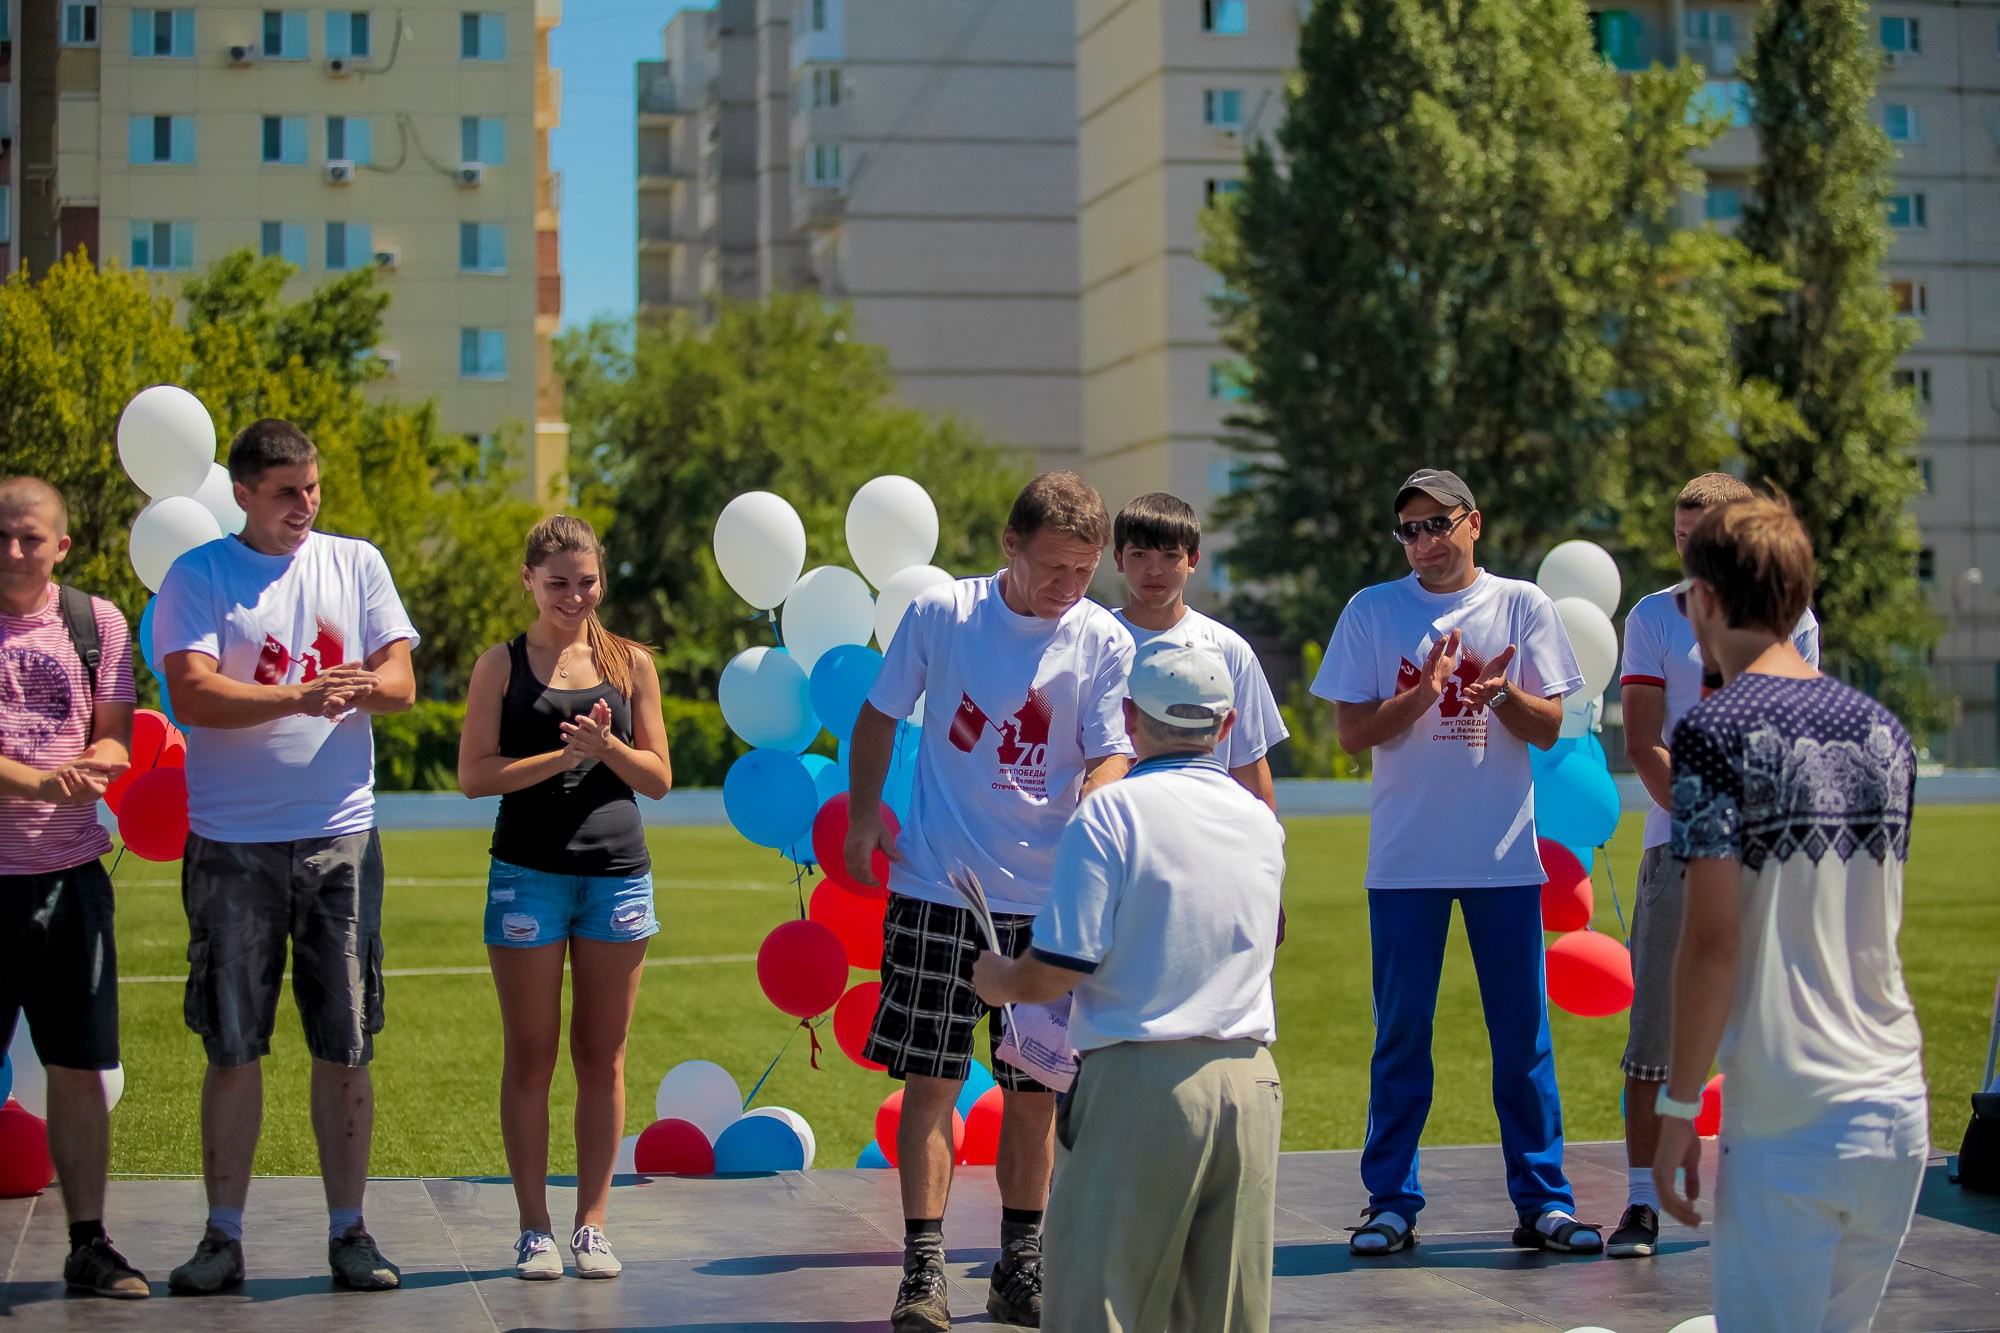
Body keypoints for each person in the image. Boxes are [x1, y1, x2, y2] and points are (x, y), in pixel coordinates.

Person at [844, 471, 1135, 1332]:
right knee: (932, 1079)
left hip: (1051, 905)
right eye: (1055, 567)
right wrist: (865, 814)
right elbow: (877, 715)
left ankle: (1021, 1265)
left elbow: (1114, 752)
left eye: (1084, 570)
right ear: (1011, 546)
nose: (1069, 588)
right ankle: (924, 1270)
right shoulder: (944, 616)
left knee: (1036, 1089)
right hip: (939, 884)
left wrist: (1097, 793)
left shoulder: (1103, 639)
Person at [154, 419, 418, 1295]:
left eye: (311, 487)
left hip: (340, 835)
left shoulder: (357, 562)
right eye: (284, 492)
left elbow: (402, 682)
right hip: (231, 843)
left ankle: (351, 1233)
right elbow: (191, 693)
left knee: (345, 1042)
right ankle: (222, 1238)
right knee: (233, 1046)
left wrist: (362, 686)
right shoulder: (199, 575)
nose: (304, 506)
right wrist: (299, 693)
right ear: (241, 493)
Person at [1653, 497, 1925, 1333]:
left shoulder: (1714, 731)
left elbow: (1711, 942)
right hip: (1898, 1109)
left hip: (1790, 1118)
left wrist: (1676, 1114)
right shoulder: (1888, 732)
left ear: (1702, 597)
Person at [1312, 468, 1598, 1257]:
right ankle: (1390, 1201)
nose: (1424, 542)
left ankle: (1543, 1200)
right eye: (1409, 528)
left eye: (1438, 524)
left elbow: (1550, 729)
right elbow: (1351, 733)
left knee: (1524, 1040)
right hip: (1405, 863)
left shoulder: (1520, 605)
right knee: (1401, 1036)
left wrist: (1503, 696)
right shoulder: (1372, 610)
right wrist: (1426, 692)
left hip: (1503, 860)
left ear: (1475, 522)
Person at [974, 640, 1286, 1333]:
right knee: (1226, 1316)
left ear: (1128, 717)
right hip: (1250, 1080)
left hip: (1141, 1082)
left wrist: (1000, 980)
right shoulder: (1261, 822)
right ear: (1226, 726)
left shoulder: (1112, 812)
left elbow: (1059, 966)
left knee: (1099, 1306)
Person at [1609, 472, 1821, 1259]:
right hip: (1678, 843)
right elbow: (1641, 741)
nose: (1689, 551)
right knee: (1656, 1034)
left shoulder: (1795, 620)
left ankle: (1774, 1197)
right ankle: (1638, 1202)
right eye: (1679, 535)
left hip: (1770, 847)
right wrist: (1706, 824)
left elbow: (1788, 741)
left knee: (1775, 1031)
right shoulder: (1651, 615)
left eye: (1704, 535)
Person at [457, 515, 671, 1281]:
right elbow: (475, 776)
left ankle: (592, 1224)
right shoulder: (500, 665)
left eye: (586, 582)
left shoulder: (632, 663)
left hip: (617, 878)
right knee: (532, 1055)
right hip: (527, 876)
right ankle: (533, 1228)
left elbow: (657, 778)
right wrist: (560, 756)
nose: (574, 596)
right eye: (557, 583)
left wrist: (606, 748)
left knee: (602, 1058)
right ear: (527, 580)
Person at [0, 477, 144, 1299]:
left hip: (72, 878)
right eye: (2, 536)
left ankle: (88, 1244)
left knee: (78, 1065)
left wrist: (100, 766)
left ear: (61, 544)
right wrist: (41, 783)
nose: (14, 551)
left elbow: (115, 736)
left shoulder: (98, 622)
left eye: (30, 537)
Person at [1109, 492, 1289, 811]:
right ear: (1119, 559)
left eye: (1169, 556)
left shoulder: (1228, 649)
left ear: (1192, 560)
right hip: (1118, 832)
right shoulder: (1093, 639)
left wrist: (1269, 850)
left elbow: (1249, 764)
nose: (1154, 570)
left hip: (1202, 833)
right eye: (1139, 555)